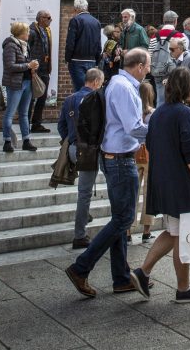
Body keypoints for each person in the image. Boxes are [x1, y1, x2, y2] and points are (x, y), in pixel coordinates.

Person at [65, 47, 152, 299]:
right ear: (138, 66)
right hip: (120, 160)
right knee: (123, 220)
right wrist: (158, 128)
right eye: (147, 66)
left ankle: (121, 277)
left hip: (115, 157)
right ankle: (81, 267)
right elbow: (134, 128)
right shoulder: (124, 88)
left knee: (120, 218)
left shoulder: (118, 83)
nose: (148, 70)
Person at [134, 66, 190, 303]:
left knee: (173, 232)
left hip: (163, 181)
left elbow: (150, 144)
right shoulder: (184, 113)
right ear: (187, 88)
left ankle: (143, 272)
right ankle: (183, 288)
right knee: (184, 235)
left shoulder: (158, 114)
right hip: (181, 184)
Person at [58, 66, 105, 248]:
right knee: (84, 193)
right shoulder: (95, 99)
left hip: (73, 148)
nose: (100, 87)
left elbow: (61, 126)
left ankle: (84, 215)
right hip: (90, 151)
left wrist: (69, 141)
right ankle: (79, 235)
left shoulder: (69, 99)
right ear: (95, 82)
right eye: (100, 84)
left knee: (84, 190)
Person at [1, 21, 40, 153]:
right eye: (27, 31)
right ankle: (7, 141)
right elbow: (10, 66)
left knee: (24, 114)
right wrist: (28, 66)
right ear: (20, 33)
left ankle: (26, 141)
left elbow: (24, 64)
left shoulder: (25, 45)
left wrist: (33, 67)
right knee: (10, 114)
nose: (29, 33)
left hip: (27, 82)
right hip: (15, 84)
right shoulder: (10, 46)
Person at [129, 80, 155, 243]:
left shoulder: (133, 112)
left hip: (133, 152)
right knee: (148, 192)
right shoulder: (153, 113)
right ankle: (146, 230)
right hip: (150, 153)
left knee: (132, 193)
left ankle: (127, 230)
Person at [65, 0, 102, 92]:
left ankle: (80, 107)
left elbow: (70, 42)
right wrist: (97, 60)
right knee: (91, 89)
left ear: (76, 8)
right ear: (86, 7)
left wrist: (67, 59)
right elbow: (98, 43)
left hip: (77, 61)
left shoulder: (75, 20)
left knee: (80, 89)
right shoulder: (96, 22)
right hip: (92, 60)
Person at [28, 10, 53, 133]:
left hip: (44, 68)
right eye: (48, 18)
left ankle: (36, 124)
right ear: (41, 19)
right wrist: (31, 66)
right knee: (31, 98)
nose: (50, 20)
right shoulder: (32, 32)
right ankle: (25, 123)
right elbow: (27, 51)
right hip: (35, 69)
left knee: (42, 97)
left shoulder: (46, 31)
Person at [149, 10, 180, 105]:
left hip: (157, 71)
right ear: (175, 21)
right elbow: (182, 56)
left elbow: (150, 54)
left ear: (164, 20)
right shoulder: (179, 35)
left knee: (160, 99)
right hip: (174, 72)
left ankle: (160, 118)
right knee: (175, 99)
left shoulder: (154, 36)